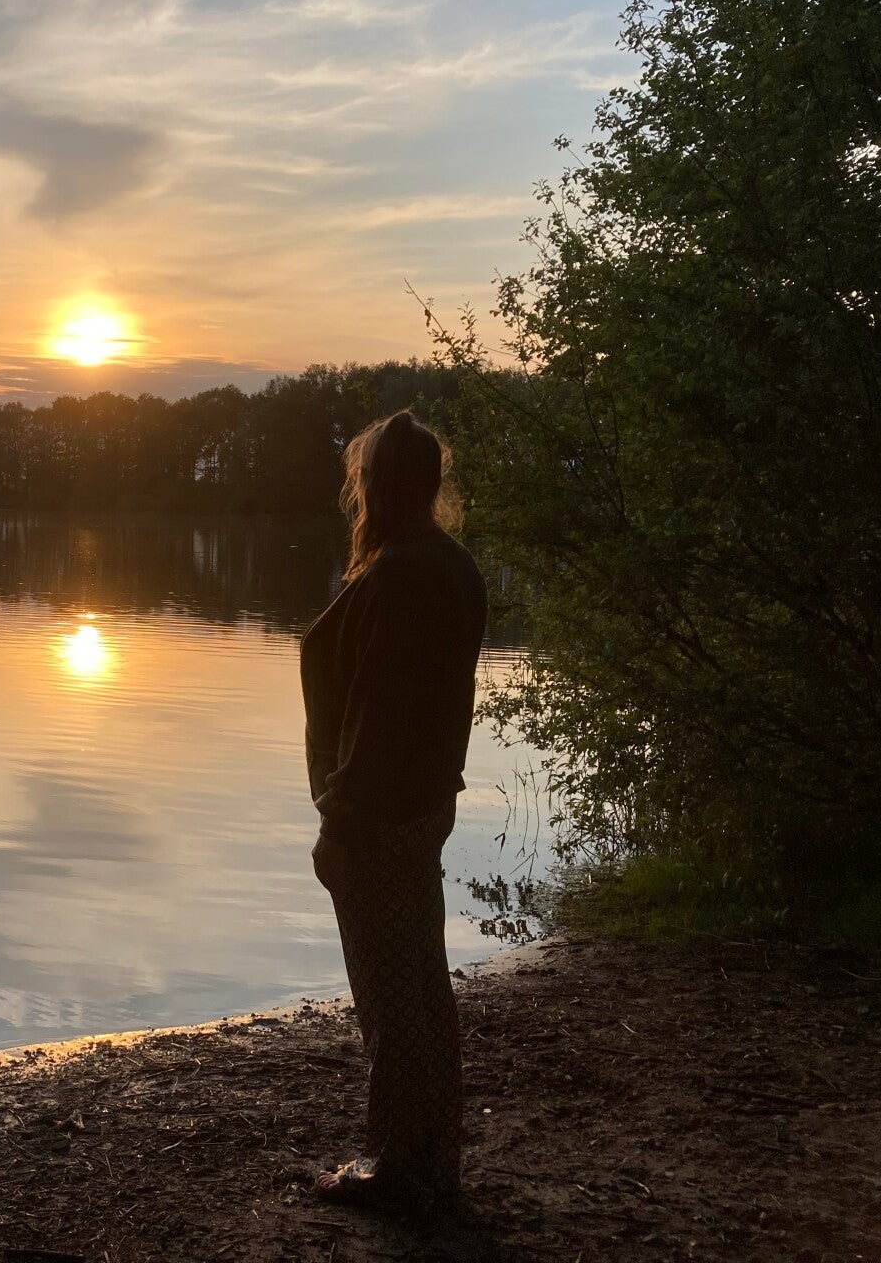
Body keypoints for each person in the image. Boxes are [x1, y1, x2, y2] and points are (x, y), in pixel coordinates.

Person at [300, 409, 487, 1210]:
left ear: (379, 486)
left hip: (382, 814)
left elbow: (381, 715)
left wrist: (339, 824)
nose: (360, 493)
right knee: (418, 985)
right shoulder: (447, 564)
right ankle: (427, 1161)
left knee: (392, 996)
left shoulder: (404, 577)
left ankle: (398, 1170)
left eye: (364, 479)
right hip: (420, 803)